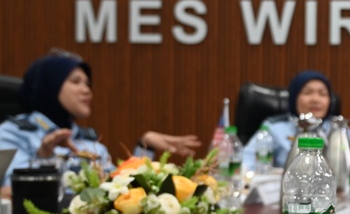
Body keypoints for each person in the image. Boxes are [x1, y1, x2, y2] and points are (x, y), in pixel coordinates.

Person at [0, 52, 201, 187]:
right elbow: (8, 190)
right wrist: (43, 159)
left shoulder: (89, 141)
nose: (87, 90)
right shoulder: (12, 132)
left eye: (88, 83)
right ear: (48, 87)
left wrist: (144, 146)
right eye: (75, 81)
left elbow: (120, 188)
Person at [242, 70, 342, 170]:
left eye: (323, 94)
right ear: (294, 98)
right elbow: (246, 163)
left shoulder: (338, 129)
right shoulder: (275, 127)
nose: (315, 99)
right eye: (308, 92)